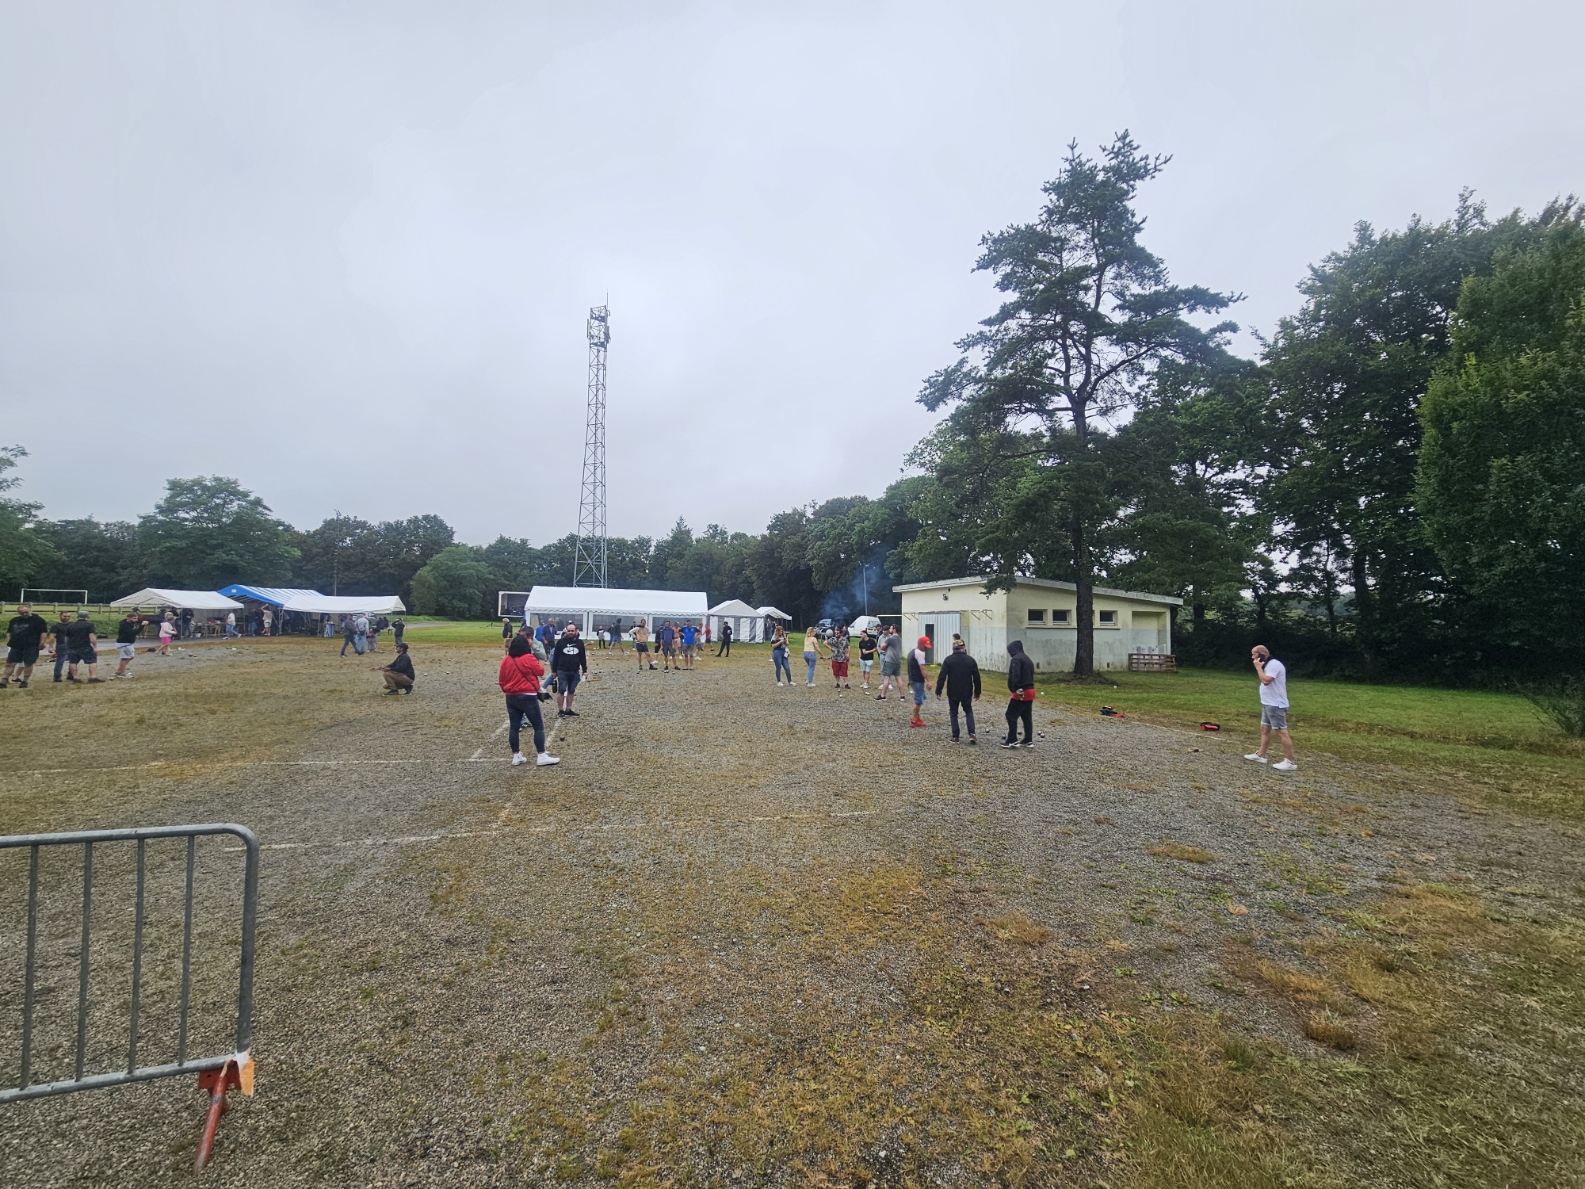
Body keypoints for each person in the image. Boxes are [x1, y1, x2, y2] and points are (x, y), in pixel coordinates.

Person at [498, 635, 559, 767]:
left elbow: (501, 679)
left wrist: (507, 690)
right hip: (527, 696)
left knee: (514, 727)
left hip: (511, 696)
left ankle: (516, 755)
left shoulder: (506, 660)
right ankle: (541, 755)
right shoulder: (528, 658)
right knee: (538, 726)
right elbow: (541, 671)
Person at [1245, 645, 1298, 771]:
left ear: (1262, 654)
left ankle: (1289, 762)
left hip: (1276, 704)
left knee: (1281, 732)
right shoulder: (1267, 665)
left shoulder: (1274, 664)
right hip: (1267, 703)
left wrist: (1258, 667)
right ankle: (1261, 755)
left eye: (1254, 654)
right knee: (1264, 728)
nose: (1252, 657)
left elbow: (1266, 680)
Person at [934, 637, 982, 743]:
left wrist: (938, 690)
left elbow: (942, 676)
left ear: (953, 649)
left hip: (953, 690)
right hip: (967, 690)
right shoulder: (970, 660)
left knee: (953, 712)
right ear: (964, 648)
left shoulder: (948, 660)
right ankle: (972, 734)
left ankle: (955, 736)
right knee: (968, 711)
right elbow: (977, 677)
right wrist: (977, 692)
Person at [2, 603, 49, 689]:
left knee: (28, 663)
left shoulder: (38, 620)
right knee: (10, 664)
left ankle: (25, 681)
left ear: (30, 610)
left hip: (31, 645)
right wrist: (9, 641)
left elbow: (43, 632)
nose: (24, 614)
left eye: (26, 612)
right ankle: (3, 681)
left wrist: (42, 643)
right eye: (21, 613)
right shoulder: (14, 620)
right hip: (16, 646)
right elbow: (9, 632)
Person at [1002, 640, 1036, 748]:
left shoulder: (1016, 659)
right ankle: (1028, 739)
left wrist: (1015, 688)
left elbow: (1015, 675)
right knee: (1026, 716)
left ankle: (1012, 740)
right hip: (1030, 690)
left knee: (1010, 715)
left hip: (1021, 692)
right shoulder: (1027, 659)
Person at [552, 622, 588, 716]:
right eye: (569, 631)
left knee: (571, 690)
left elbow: (582, 658)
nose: (571, 632)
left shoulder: (580, 643)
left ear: (576, 631)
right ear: (566, 631)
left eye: (572, 631)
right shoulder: (561, 642)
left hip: (574, 670)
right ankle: (560, 710)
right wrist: (554, 671)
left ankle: (568, 709)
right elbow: (555, 657)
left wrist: (585, 671)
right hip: (562, 670)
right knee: (562, 689)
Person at [62, 611, 102, 683]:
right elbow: (91, 636)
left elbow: (66, 637)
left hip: (72, 646)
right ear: (87, 617)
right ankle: (92, 677)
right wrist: (95, 646)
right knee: (92, 661)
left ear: (77, 617)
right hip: (85, 646)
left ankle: (75, 678)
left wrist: (67, 645)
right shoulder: (89, 625)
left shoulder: (70, 625)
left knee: (73, 662)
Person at [906, 635, 930, 727]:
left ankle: (916, 716)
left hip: (912, 679)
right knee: (918, 700)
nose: (926, 649)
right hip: (917, 680)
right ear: (920, 644)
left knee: (920, 697)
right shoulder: (919, 654)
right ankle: (914, 719)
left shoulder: (912, 652)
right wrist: (928, 681)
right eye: (925, 646)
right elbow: (922, 668)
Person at [112, 611, 144, 678]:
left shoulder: (130, 624)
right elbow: (132, 632)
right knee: (125, 658)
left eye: (136, 618)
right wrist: (142, 626)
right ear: (129, 618)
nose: (136, 620)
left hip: (129, 643)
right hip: (124, 643)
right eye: (134, 618)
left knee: (130, 657)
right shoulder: (125, 625)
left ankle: (119, 671)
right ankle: (122, 673)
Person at [876, 626, 902, 700]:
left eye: (891, 628)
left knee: (886, 677)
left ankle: (882, 695)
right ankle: (902, 696)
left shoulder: (891, 639)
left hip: (890, 660)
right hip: (897, 660)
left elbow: (882, 647)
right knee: (898, 677)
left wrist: (883, 646)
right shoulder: (899, 639)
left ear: (894, 630)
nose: (890, 629)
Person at [49, 610, 74, 681]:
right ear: (60, 616)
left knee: (73, 661)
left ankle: (71, 675)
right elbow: (51, 637)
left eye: (68, 616)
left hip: (72, 645)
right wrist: (51, 646)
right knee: (60, 661)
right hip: (61, 645)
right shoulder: (56, 626)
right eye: (65, 616)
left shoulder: (72, 624)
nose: (66, 618)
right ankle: (57, 676)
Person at [829, 623, 851, 691]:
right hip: (835, 658)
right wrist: (831, 648)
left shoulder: (844, 640)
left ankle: (846, 684)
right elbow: (825, 643)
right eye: (835, 633)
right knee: (836, 672)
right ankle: (837, 683)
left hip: (843, 658)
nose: (836, 634)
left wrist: (848, 654)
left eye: (837, 633)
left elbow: (849, 646)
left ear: (840, 633)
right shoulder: (833, 639)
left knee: (844, 671)